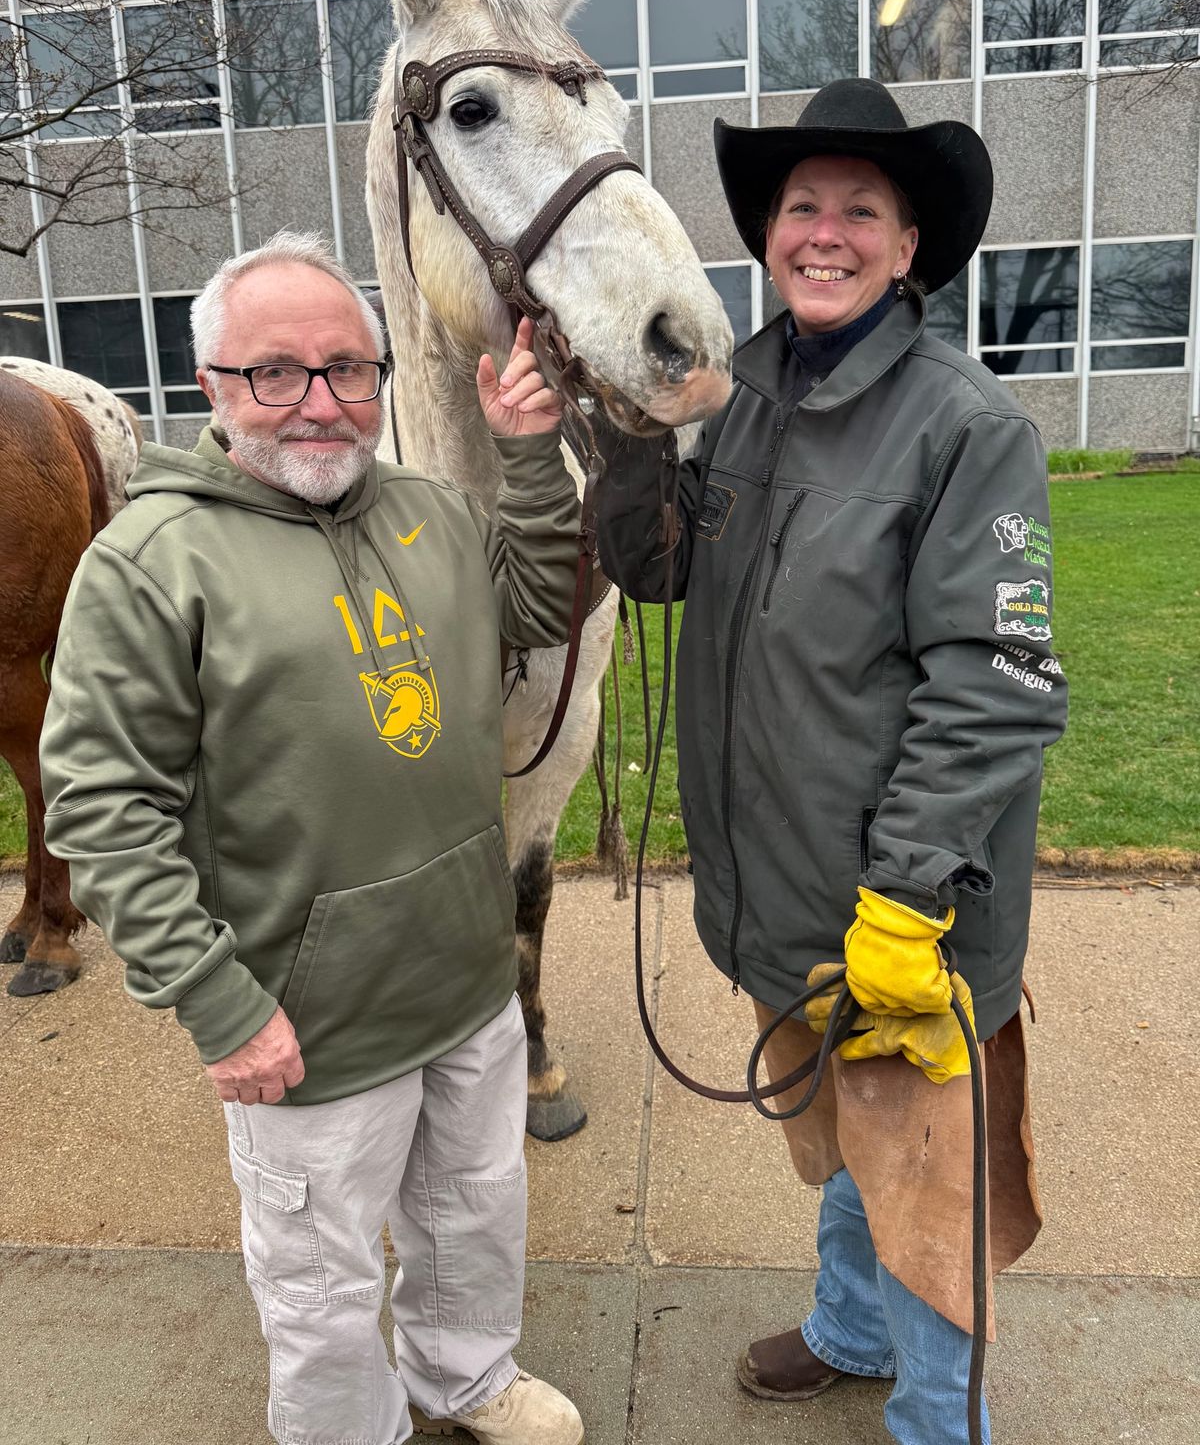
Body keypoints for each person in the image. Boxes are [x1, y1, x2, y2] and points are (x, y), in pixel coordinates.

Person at [40, 231, 586, 1445]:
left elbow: (541, 601)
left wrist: (529, 456)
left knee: (475, 1209)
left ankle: (466, 1375)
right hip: (304, 1016)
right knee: (322, 1276)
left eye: (349, 368)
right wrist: (216, 1003)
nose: (321, 402)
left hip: (462, 972)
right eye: (276, 373)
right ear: (213, 392)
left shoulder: (430, 512)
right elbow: (99, 806)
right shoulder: (149, 565)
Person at [592, 79, 1068, 1445]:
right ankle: (850, 1333)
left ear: (910, 246)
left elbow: (999, 684)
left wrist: (907, 898)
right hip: (786, 894)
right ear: (770, 230)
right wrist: (627, 434)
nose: (826, 231)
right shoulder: (738, 394)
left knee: (926, 1194)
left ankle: (936, 1422)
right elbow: (652, 568)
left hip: (898, 909)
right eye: (805, 205)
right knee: (849, 1149)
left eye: (863, 209)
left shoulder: (967, 428)